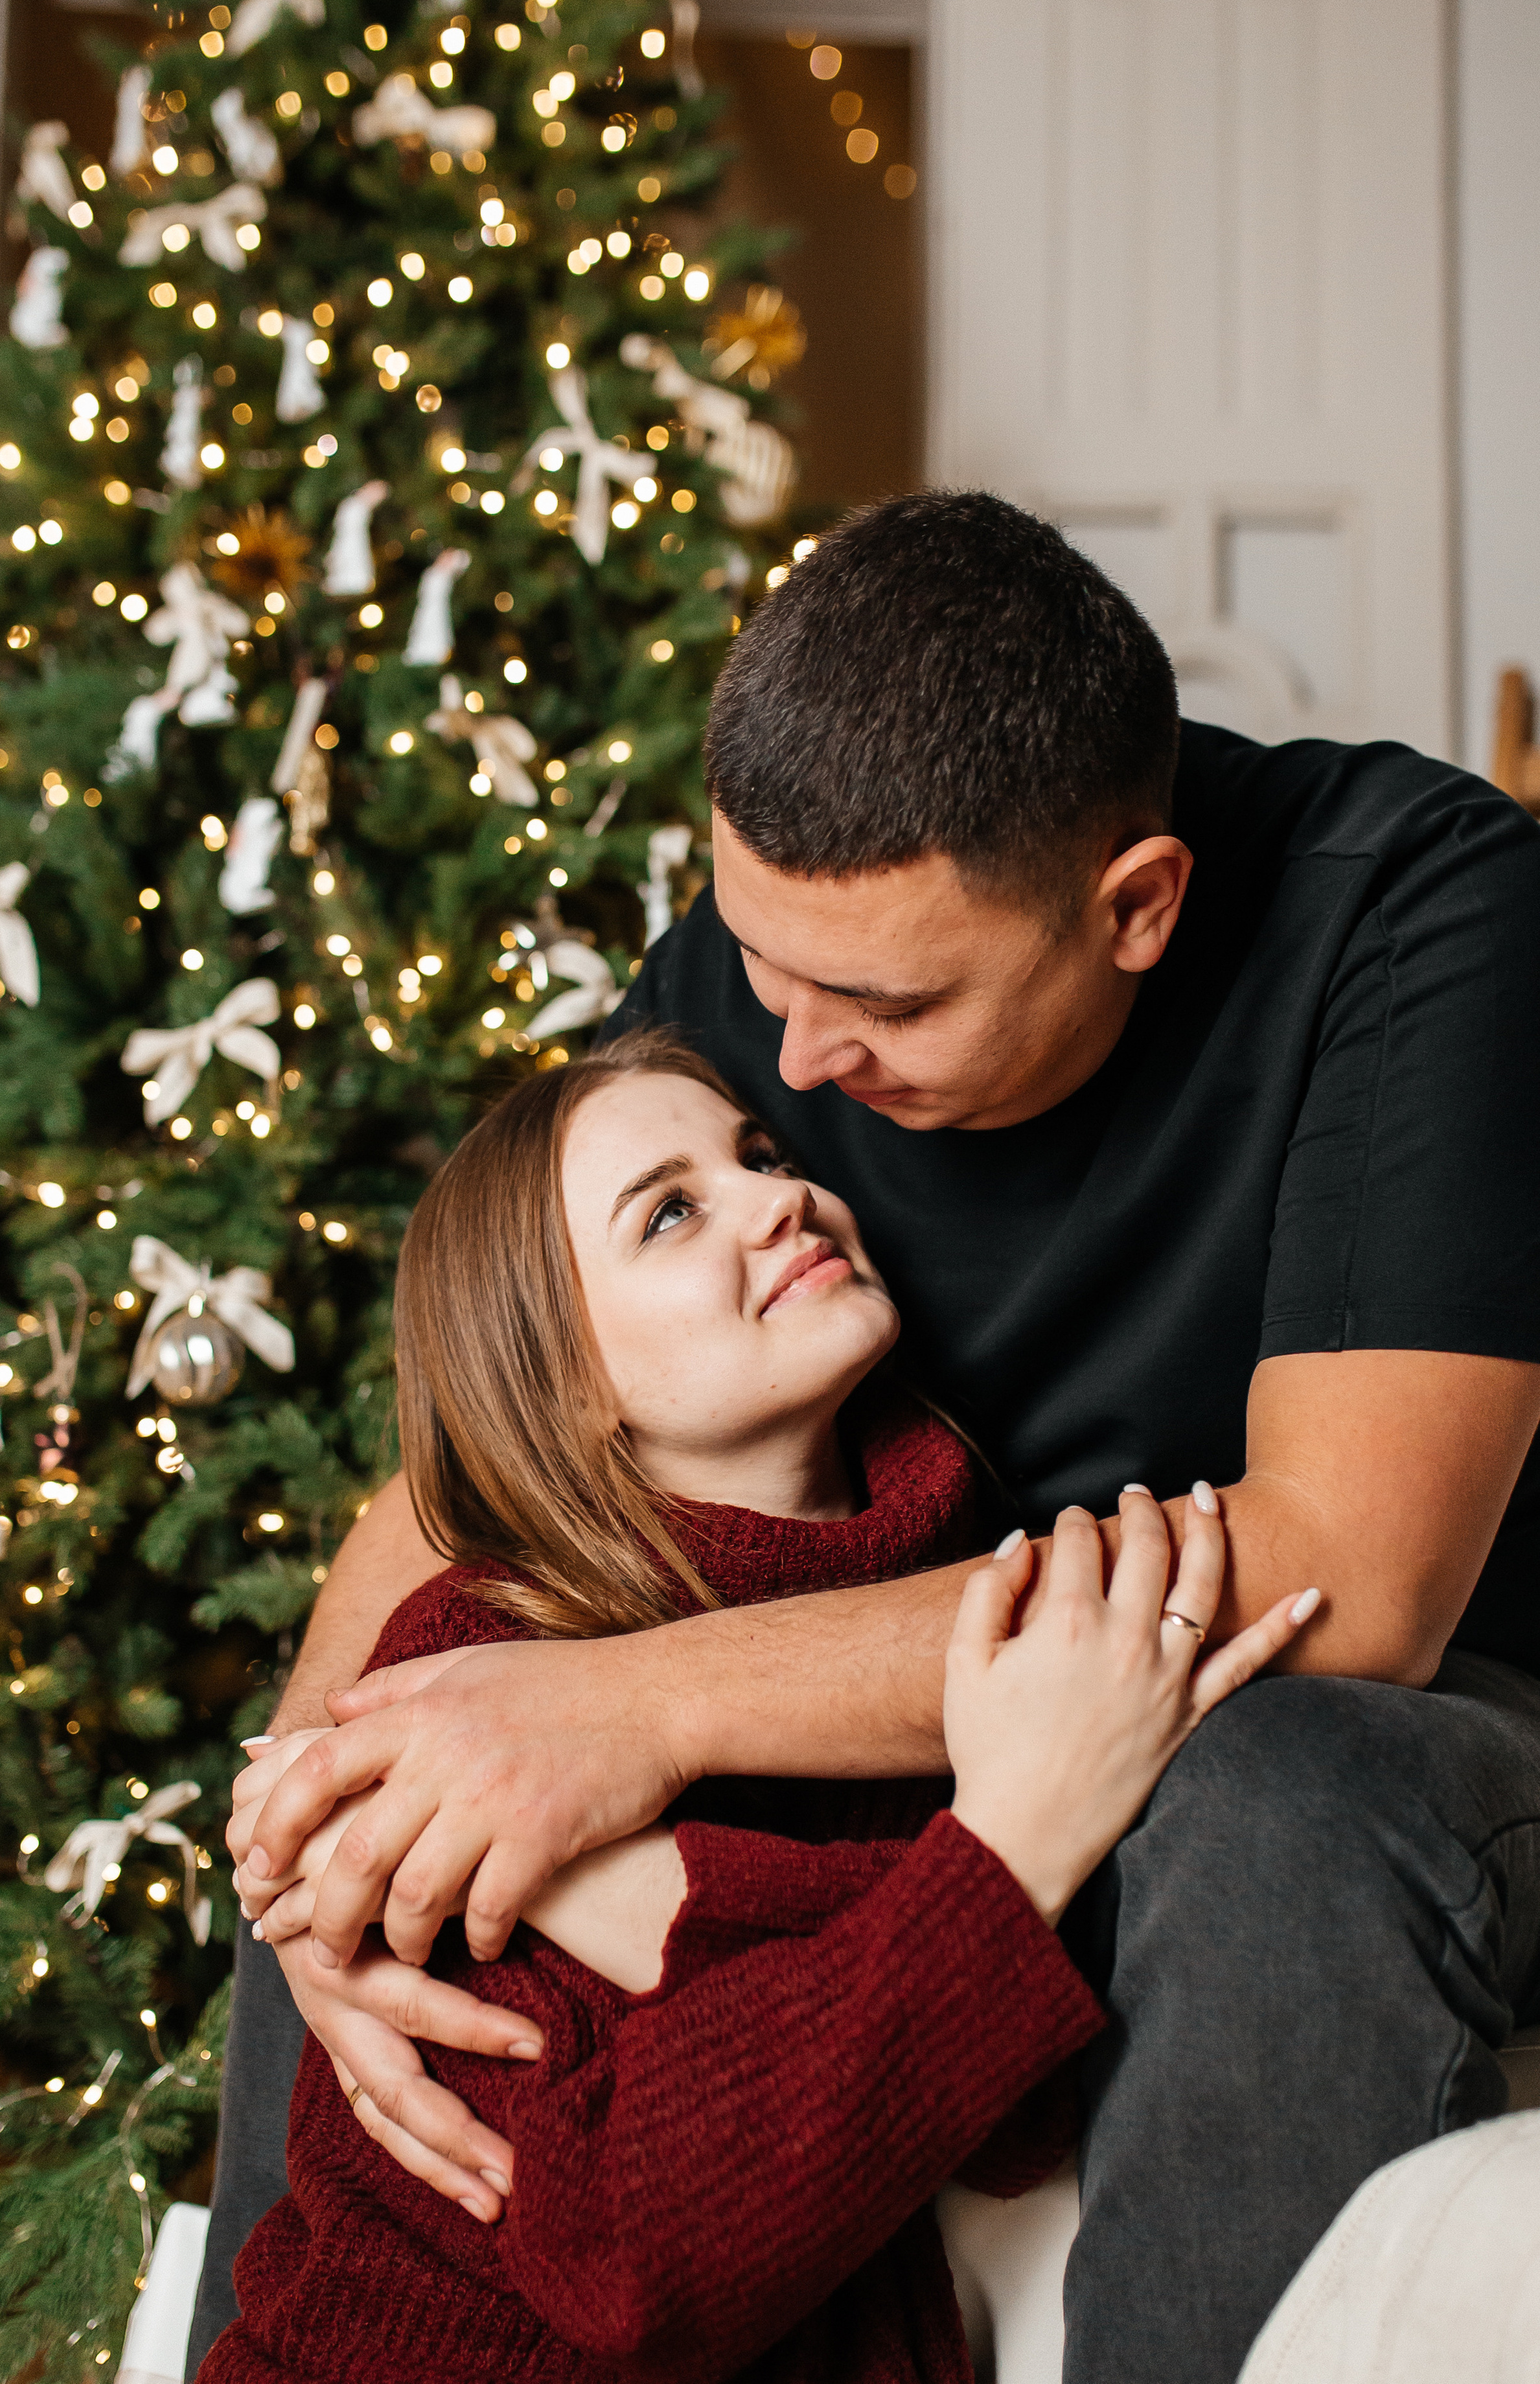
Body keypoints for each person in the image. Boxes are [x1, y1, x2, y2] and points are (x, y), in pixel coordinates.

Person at [201, 492, 1540, 2384]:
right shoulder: (790, 943)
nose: (797, 1067)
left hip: (1376, 1725)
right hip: (946, 1739)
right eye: (763, 974)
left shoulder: (1419, 906)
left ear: (1136, 906)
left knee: (1274, 1792)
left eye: (887, 1006)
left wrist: (635, 1707)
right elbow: (487, 1443)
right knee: (400, 1770)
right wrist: (310, 1829)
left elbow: (1356, 1577)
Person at [202, 1033, 1314, 2384]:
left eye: (760, 1154)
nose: (779, 1197)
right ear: (563, 1383)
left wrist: (635, 1891)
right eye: (669, 1213)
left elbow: (1011, 2111)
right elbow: (634, 2256)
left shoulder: (945, 1593)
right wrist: (1017, 1845)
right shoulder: (473, 1674)